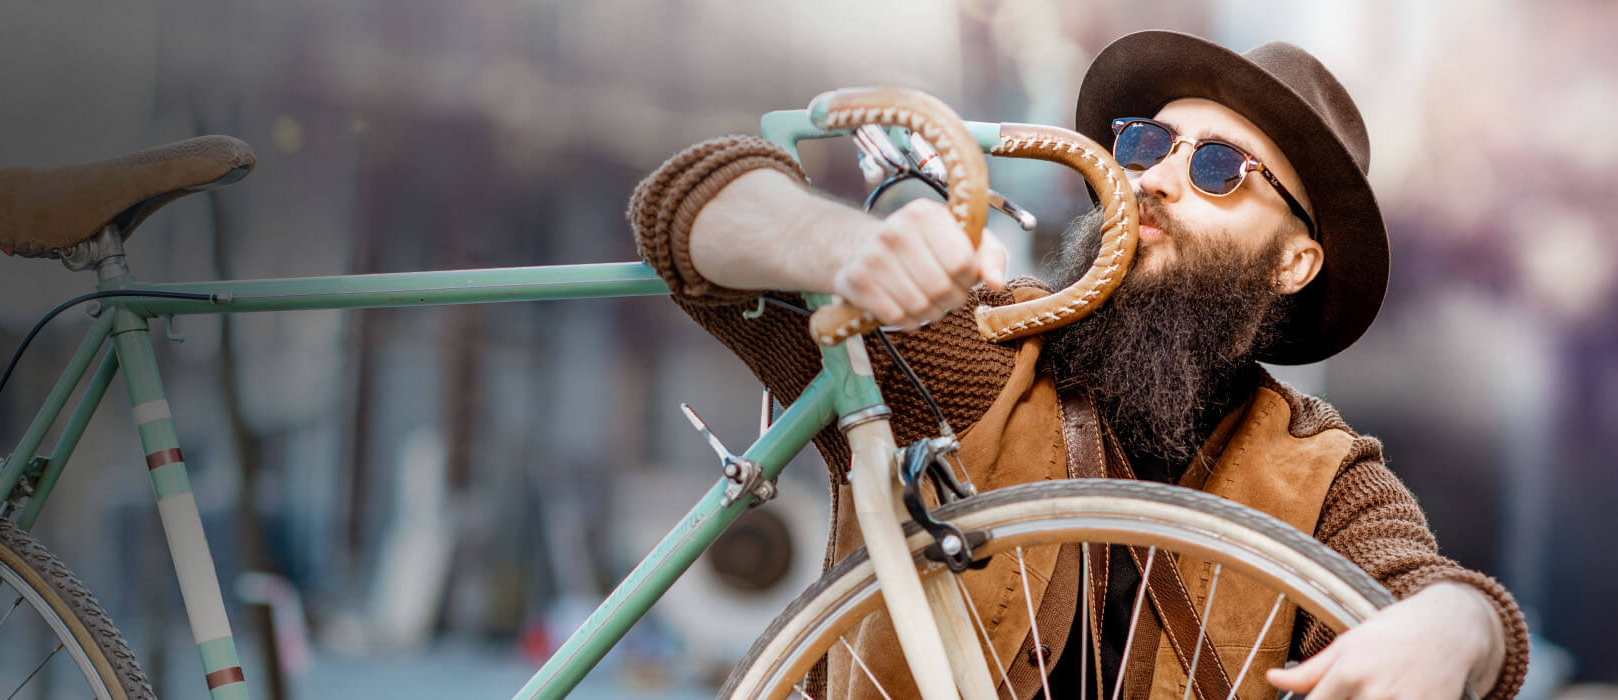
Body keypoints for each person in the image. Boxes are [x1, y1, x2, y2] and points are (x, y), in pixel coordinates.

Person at [627, 30, 1528, 699]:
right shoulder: (982, 353)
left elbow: (1438, 597)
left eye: (1220, 168)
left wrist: (1458, 629)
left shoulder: (1321, 472)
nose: (1157, 179)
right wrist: (842, 247)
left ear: (1293, 262)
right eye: (1142, 144)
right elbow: (689, 203)